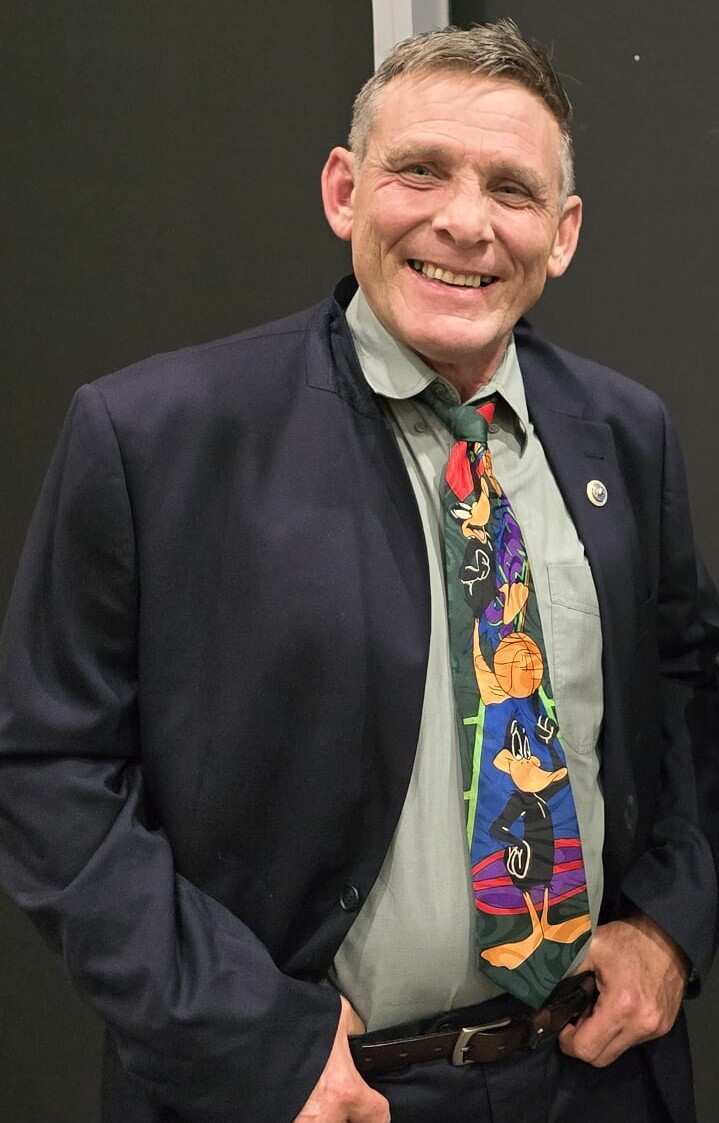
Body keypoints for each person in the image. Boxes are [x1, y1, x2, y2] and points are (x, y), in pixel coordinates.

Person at [0, 18, 717, 1123]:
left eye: (511, 190)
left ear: (561, 233)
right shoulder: (156, 441)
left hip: (585, 1080)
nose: (463, 222)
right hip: (300, 1096)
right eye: (419, 171)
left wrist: (670, 919)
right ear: (343, 191)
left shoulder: (625, 437)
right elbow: (50, 770)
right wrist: (243, 1037)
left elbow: (690, 701)